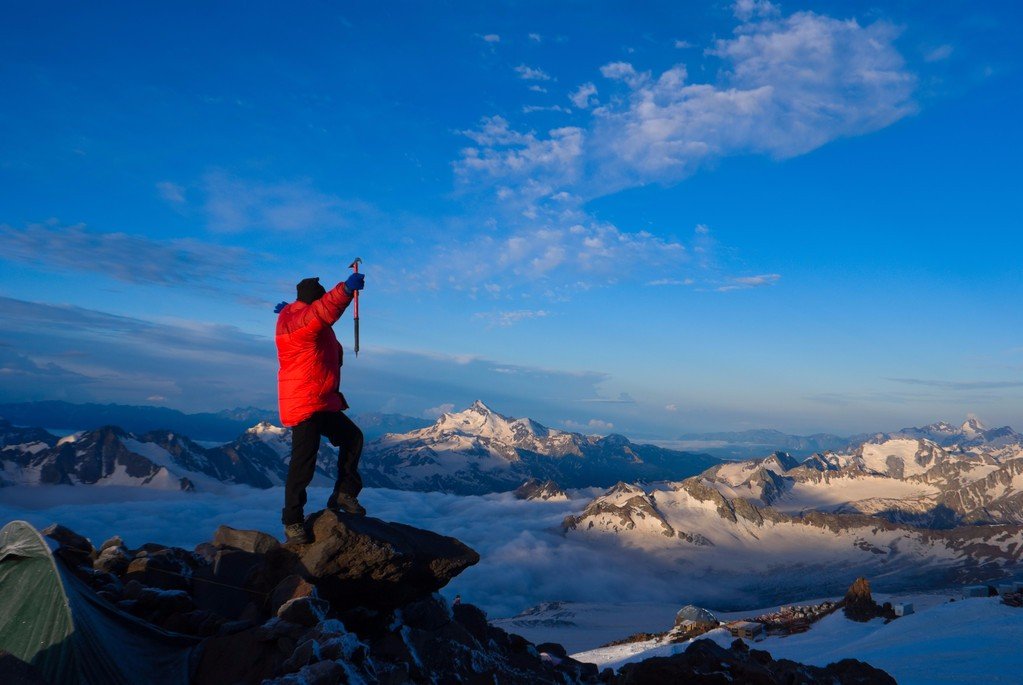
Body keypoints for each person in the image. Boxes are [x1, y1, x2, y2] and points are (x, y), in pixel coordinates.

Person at [275, 272, 366, 544]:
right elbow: (322, 311)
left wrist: (290, 309)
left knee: (353, 437)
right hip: (304, 402)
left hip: (321, 399)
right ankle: (293, 521)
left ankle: (344, 493)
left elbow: (311, 314)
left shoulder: (296, 317)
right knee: (303, 464)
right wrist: (346, 290)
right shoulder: (301, 322)